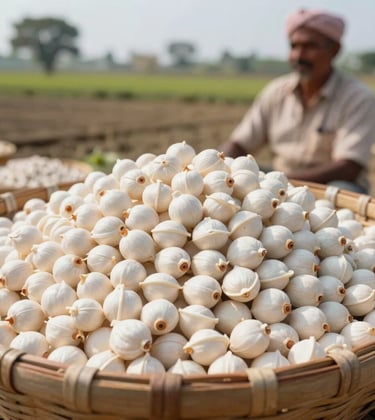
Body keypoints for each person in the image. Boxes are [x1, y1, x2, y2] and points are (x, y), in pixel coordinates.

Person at [220, 9, 375, 194]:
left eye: (309, 46)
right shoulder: (276, 92)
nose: (299, 56)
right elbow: (239, 143)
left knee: (344, 189)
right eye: (294, 46)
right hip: (280, 185)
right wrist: (220, 164)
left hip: (327, 188)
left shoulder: (358, 98)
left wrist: (284, 182)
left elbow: (349, 167)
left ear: (334, 50)